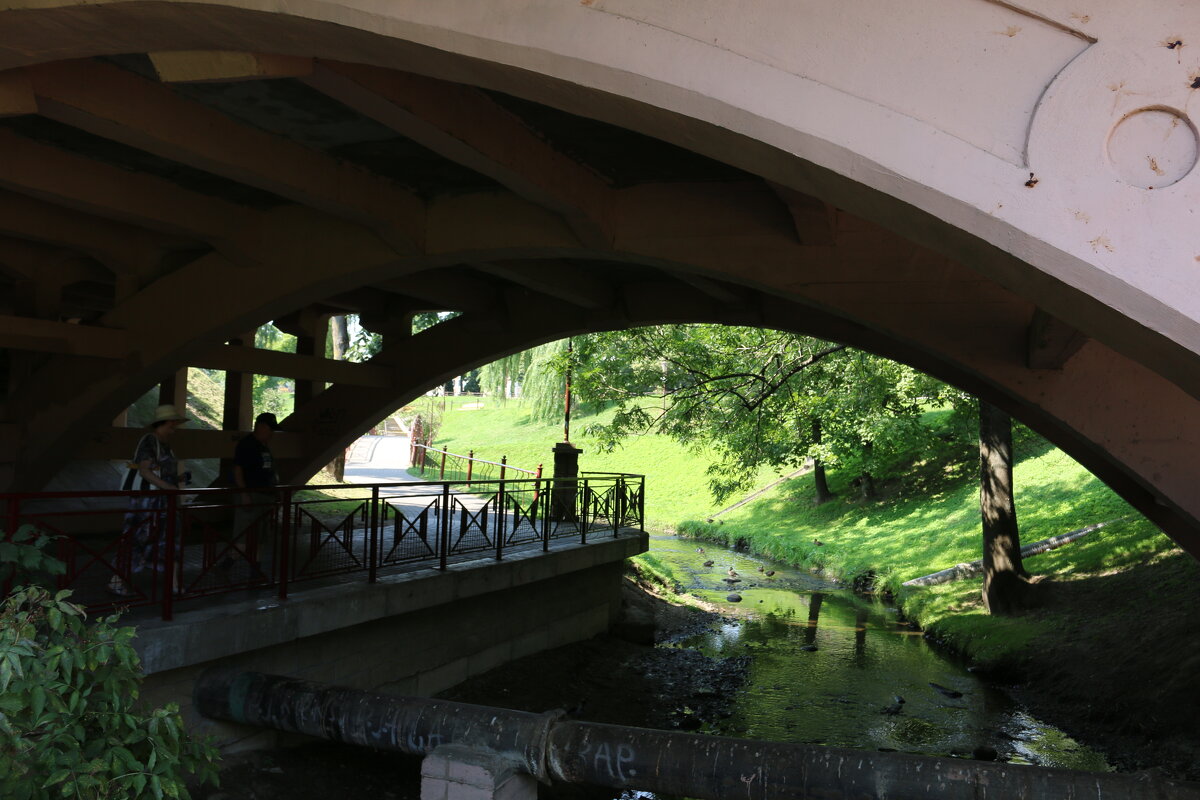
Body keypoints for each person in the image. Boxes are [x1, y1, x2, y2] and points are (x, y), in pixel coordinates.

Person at [109, 404, 189, 597]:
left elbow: (160, 471)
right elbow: (145, 470)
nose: (176, 426)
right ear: (168, 422)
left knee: (170, 538)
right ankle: (116, 580)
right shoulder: (150, 441)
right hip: (148, 502)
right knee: (137, 538)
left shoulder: (164, 443)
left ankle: (174, 584)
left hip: (163, 502)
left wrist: (177, 480)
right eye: (174, 422)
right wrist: (168, 487)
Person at [231, 412, 279, 576]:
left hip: (265, 496)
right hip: (251, 495)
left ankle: (255, 568)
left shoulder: (264, 445)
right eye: (270, 429)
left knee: (261, 536)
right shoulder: (247, 444)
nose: (272, 433)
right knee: (243, 535)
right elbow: (238, 470)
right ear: (261, 426)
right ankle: (226, 565)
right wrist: (244, 494)